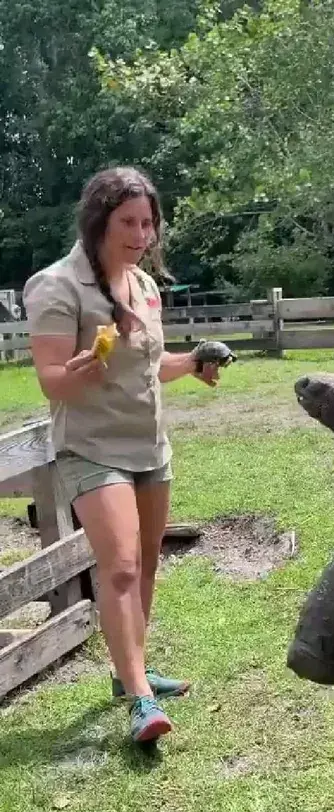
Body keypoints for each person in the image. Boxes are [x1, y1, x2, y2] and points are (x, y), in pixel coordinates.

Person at [23, 166, 221, 745]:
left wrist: (195, 362)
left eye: (149, 223)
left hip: (148, 444)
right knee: (122, 567)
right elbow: (51, 381)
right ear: (99, 222)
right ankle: (140, 700)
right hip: (90, 448)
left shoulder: (145, 286)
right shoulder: (56, 285)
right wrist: (80, 369)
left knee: (149, 564)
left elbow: (149, 365)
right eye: (128, 222)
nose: (141, 234)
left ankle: (127, 671)